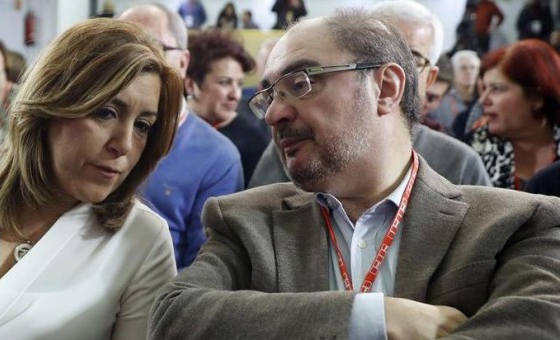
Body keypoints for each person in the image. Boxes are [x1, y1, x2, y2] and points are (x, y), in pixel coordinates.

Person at [149, 8, 560, 339]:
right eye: (270, 94)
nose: (274, 113)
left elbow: (536, 324)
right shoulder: (246, 221)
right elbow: (175, 317)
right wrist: (370, 317)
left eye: (301, 82)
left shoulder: (518, 224)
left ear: (386, 88)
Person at [0, 19, 180, 339]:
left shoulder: (142, 240)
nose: (125, 145)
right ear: (52, 103)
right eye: (105, 112)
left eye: (142, 125)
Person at [249, 0, 491, 189]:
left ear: (429, 78)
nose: (390, 66)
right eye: (374, 53)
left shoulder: (459, 163)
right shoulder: (298, 147)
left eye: (412, 57)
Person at [118, 4, 244, 270]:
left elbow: (204, 271)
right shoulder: (91, 131)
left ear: (183, 62)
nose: (131, 63)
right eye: (120, 50)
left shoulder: (217, 157)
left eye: (152, 49)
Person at [468, 39, 560, 190]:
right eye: (484, 88)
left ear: (536, 98)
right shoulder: (469, 153)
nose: (483, 100)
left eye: (497, 89)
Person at [185, 29, 267, 186]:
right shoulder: (167, 129)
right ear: (190, 85)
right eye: (224, 82)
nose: (235, 95)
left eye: (239, 84)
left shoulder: (251, 141)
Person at [429, 50, 481, 135]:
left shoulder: (483, 99)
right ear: (453, 71)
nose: (469, 72)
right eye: (463, 68)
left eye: (473, 67)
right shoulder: (439, 99)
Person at [421, 54, 453, 132]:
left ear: (441, 100)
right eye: (414, 91)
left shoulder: (437, 135)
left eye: (430, 98)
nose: (421, 101)